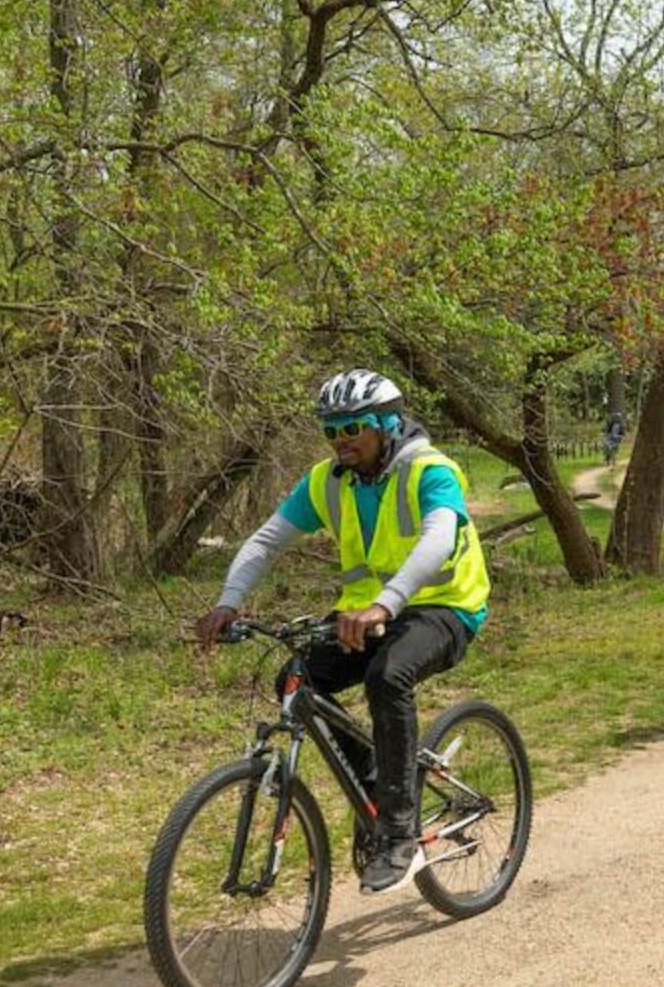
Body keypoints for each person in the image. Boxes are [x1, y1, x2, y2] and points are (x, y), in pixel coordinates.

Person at [194, 369, 490, 895]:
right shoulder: (328, 482)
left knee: (388, 676)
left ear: (388, 425)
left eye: (353, 428)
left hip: (445, 607)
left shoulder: (430, 471)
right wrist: (228, 602)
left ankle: (398, 832)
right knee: (296, 679)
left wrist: (386, 603)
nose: (341, 441)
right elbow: (265, 542)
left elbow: (439, 537)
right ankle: (376, 778)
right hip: (365, 613)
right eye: (332, 431)